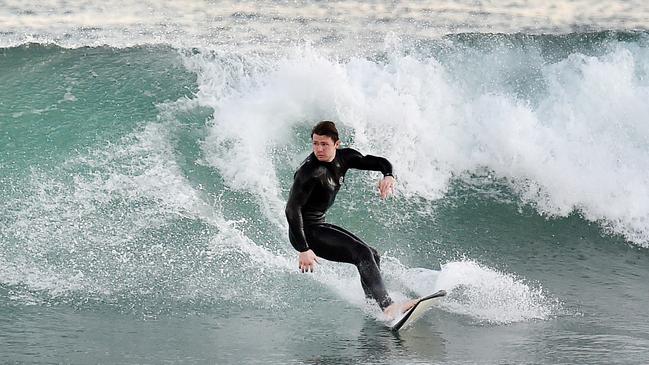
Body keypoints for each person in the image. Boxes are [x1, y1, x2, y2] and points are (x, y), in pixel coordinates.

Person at [285, 121, 414, 318]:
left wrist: (388, 175)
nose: (318, 149)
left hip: (318, 225)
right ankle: (387, 306)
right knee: (361, 253)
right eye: (315, 143)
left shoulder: (345, 158)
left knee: (372, 254)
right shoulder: (309, 172)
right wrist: (303, 249)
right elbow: (292, 209)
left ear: (337, 144)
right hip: (304, 232)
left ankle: (374, 305)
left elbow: (378, 161)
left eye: (324, 144)